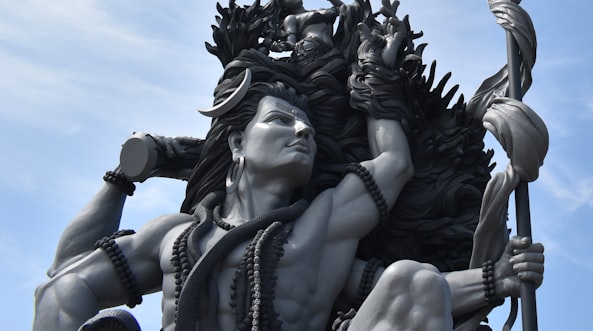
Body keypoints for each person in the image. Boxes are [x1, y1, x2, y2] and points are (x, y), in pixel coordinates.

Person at [35, 19, 543, 331]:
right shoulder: (174, 237)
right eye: (281, 120)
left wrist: (376, 79)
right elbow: (63, 284)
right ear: (236, 142)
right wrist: (121, 178)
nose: (302, 130)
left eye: (308, 126)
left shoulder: (321, 229)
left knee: (411, 280)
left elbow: (394, 166)